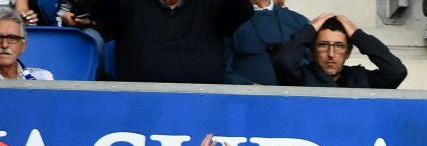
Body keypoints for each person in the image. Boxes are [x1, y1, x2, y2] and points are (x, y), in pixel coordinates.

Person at [92, 0, 253, 84]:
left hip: (201, 104)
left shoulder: (210, 6)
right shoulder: (128, 5)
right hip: (140, 105)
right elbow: (102, 12)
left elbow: (241, 11)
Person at [279, 10, 406, 86]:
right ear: (312, 50)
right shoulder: (302, 77)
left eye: (339, 46)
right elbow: (285, 62)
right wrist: (310, 28)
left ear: (348, 52)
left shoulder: (360, 79)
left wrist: (357, 35)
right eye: (323, 45)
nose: (331, 54)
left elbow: (396, 72)